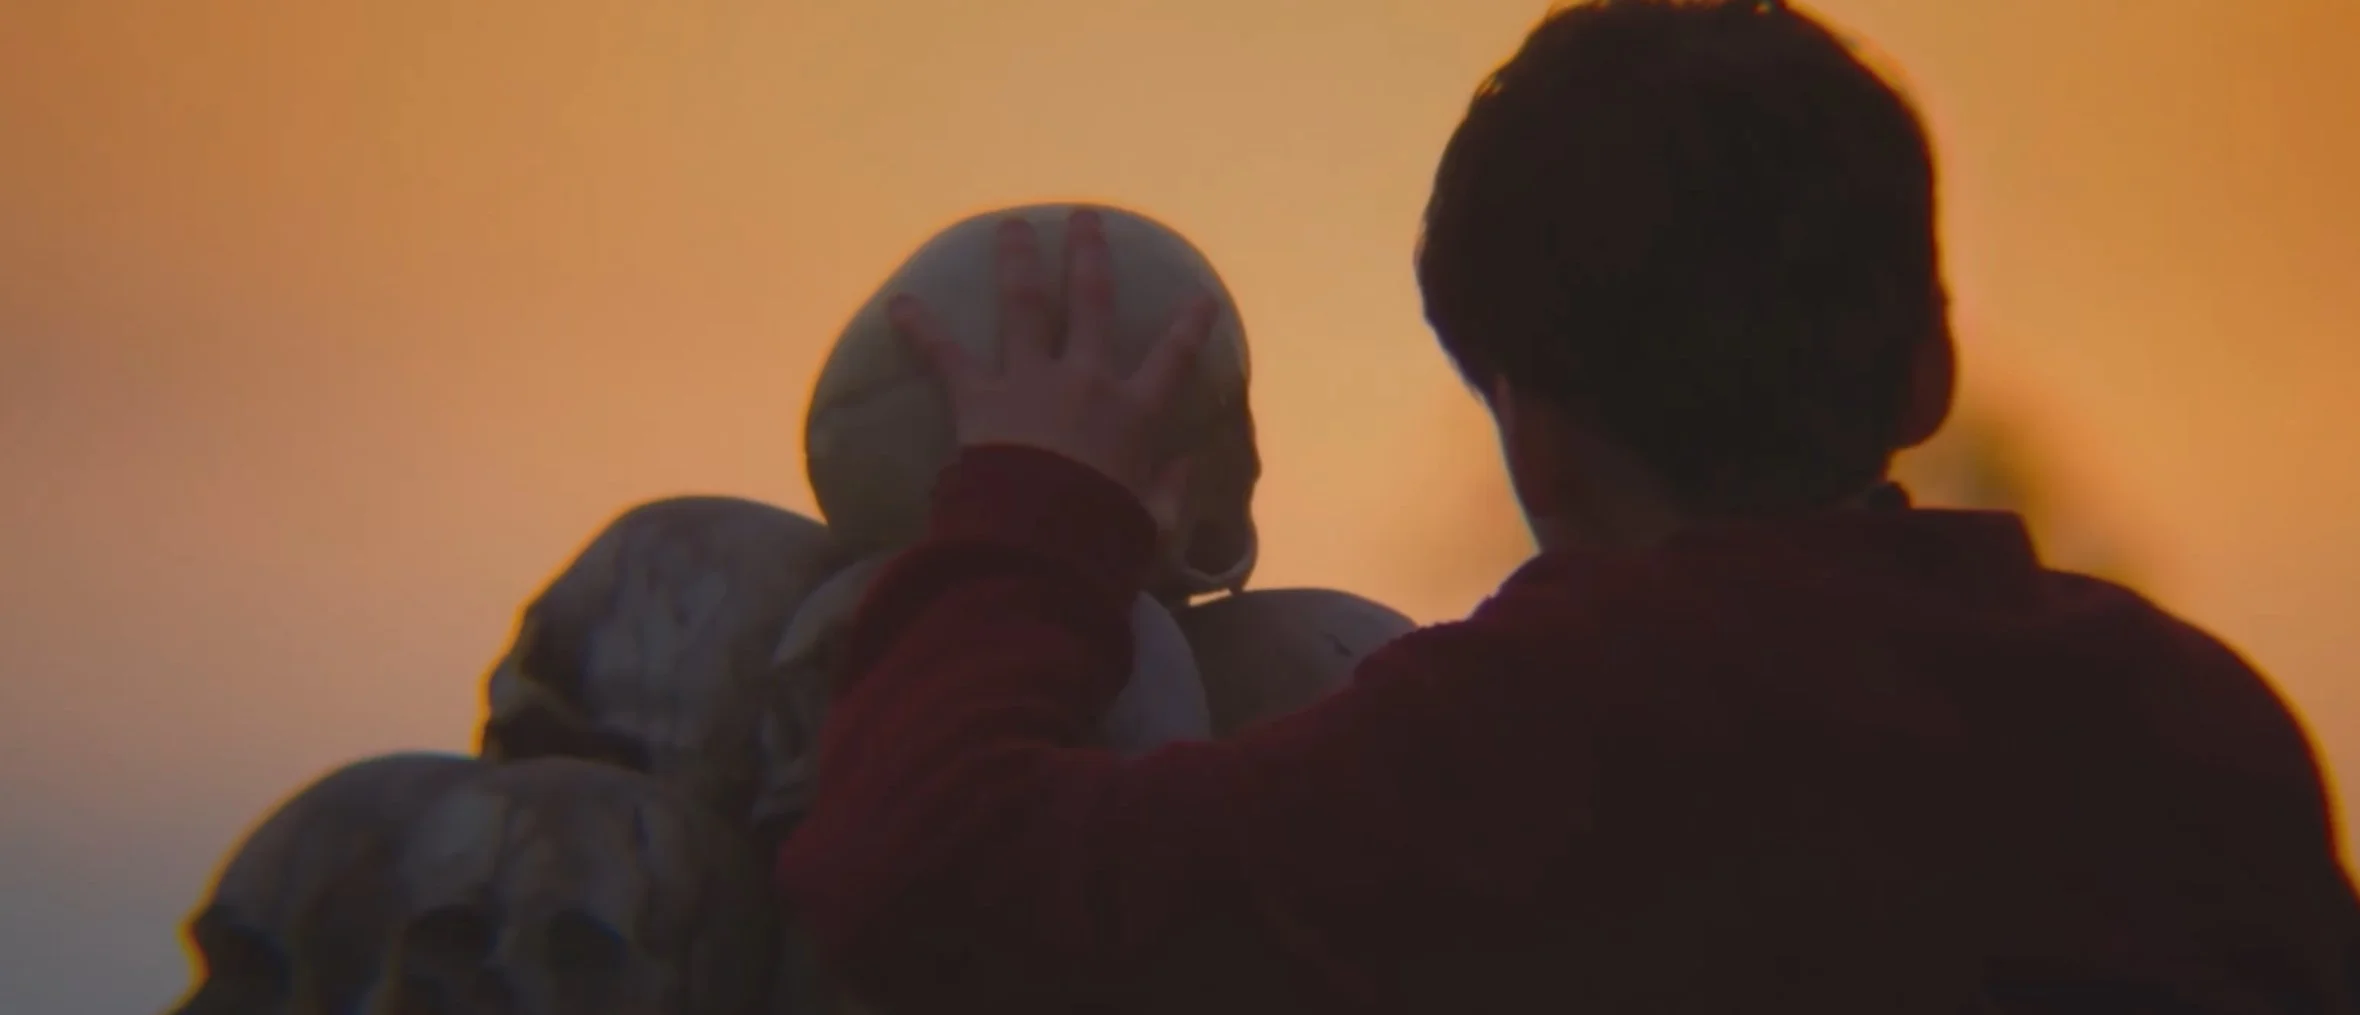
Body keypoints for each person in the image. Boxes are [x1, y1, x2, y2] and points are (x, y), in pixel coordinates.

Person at [775, 1, 2360, 1011]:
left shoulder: (1529, 749)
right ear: (1932, 370)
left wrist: (1035, 510)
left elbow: (932, 885)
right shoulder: (2200, 732)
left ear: (1534, 438)